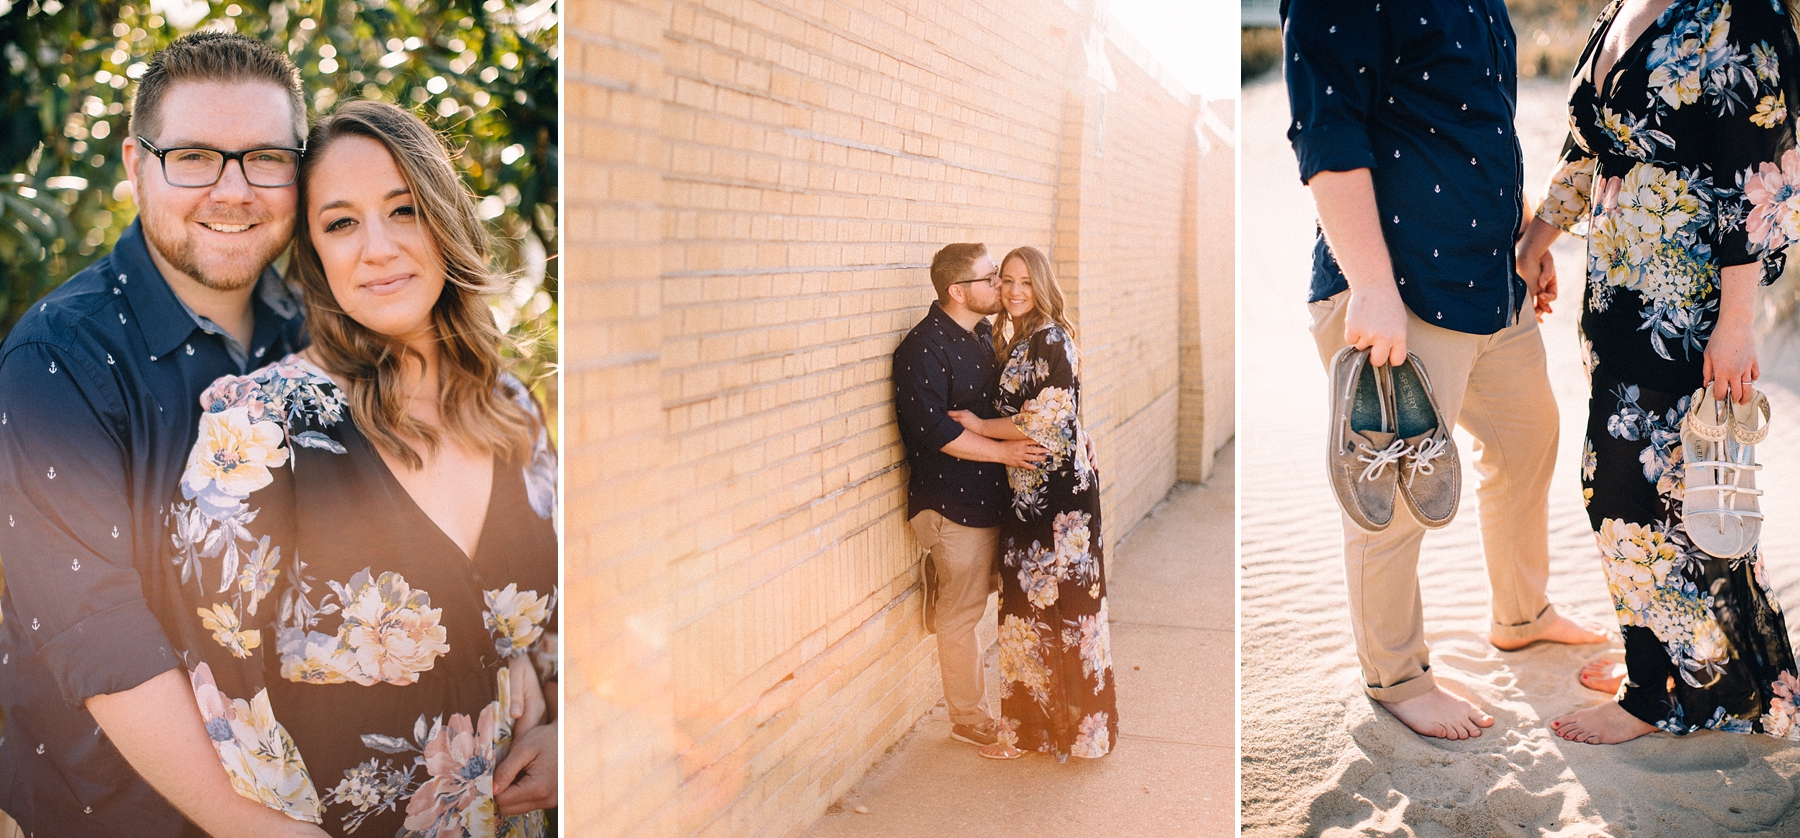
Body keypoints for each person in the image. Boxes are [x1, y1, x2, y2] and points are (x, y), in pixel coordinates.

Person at [168, 99, 558, 834]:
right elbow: (218, 680)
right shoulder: (260, 422)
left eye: (404, 209)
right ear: (315, 255)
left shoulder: (513, 410)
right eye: (340, 222)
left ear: (445, 220)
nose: (376, 247)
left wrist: (569, 733)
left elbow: (563, 630)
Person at [0, 32, 327, 837]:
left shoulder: (317, 333)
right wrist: (248, 825)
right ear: (134, 163)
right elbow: (95, 629)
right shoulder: (58, 358)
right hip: (115, 813)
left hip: (305, 790)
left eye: (265, 158)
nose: (233, 189)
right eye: (193, 157)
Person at [1283, 0, 1608, 741]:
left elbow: (1471, 117)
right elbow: (1326, 132)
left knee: (1529, 441)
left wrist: (1523, 227)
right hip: (1399, 286)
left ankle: (1521, 616)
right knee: (1391, 500)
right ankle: (1397, 677)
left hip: (1490, 276)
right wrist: (1369, 284)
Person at [1517, 0, 1800, 745]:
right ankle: (1693, 662)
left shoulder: (1740, 12)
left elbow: (1761, 173)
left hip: (1689, 307)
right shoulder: (1625, 4)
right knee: (1657, 490)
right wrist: (1534, 242)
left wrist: (1736, 324)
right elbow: (1590, 144)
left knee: (1626, 487)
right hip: (1615, 297)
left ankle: (1660, 693)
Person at [947, 246, 1117, 761]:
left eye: (1027, 281)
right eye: (1008, 280)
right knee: (1033, 613)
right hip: (1032, 493)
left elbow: (1046, 418)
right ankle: (1044, 732)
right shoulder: (1019, 337)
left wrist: (979, 427)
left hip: (1058, 503)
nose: (1016, 290)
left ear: (1042, 286)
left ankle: (1050, 734)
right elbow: (1063, 416)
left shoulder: (1051, 338)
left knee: (1060, 612)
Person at [892, 243, 1047, 751]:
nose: (1001, 287)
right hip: (950, 506)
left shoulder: (982, 333)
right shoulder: (921, 350)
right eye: (990, 279)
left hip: (991, 500)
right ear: (958, 291)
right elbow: (936, 431)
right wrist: (1005, 455)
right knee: (960, 617)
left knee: (980, 605)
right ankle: (968, 719)